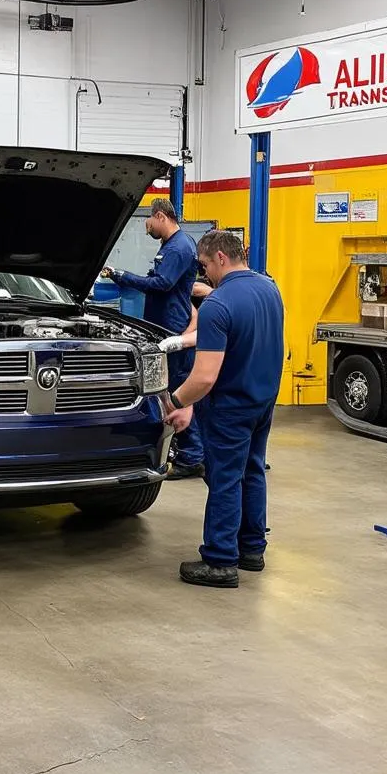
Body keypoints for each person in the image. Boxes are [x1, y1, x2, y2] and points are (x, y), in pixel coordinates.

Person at [163, 230, 285, 589]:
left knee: (224, 478)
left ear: (219, 258)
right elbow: (248, 336)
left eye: (204, 266)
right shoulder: (269, 289)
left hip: (229, 406)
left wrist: (174, 401)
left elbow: (202, 378)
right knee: (252, 470)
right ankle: (251, 550)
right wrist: (185, 339)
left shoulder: (217, 304)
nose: (204, 276)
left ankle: (219, 561)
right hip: (263, 400)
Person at [102, 198, 204, 480]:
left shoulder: (179, 247)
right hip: (162, 326)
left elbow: (163, 284)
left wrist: (123, 276)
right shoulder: (172, 246)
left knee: (177, 389)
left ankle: (193, 456)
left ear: (160, 216)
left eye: (148, 221)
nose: (146, 227)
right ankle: (187, 450)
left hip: (171, 330)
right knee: (170, 389)